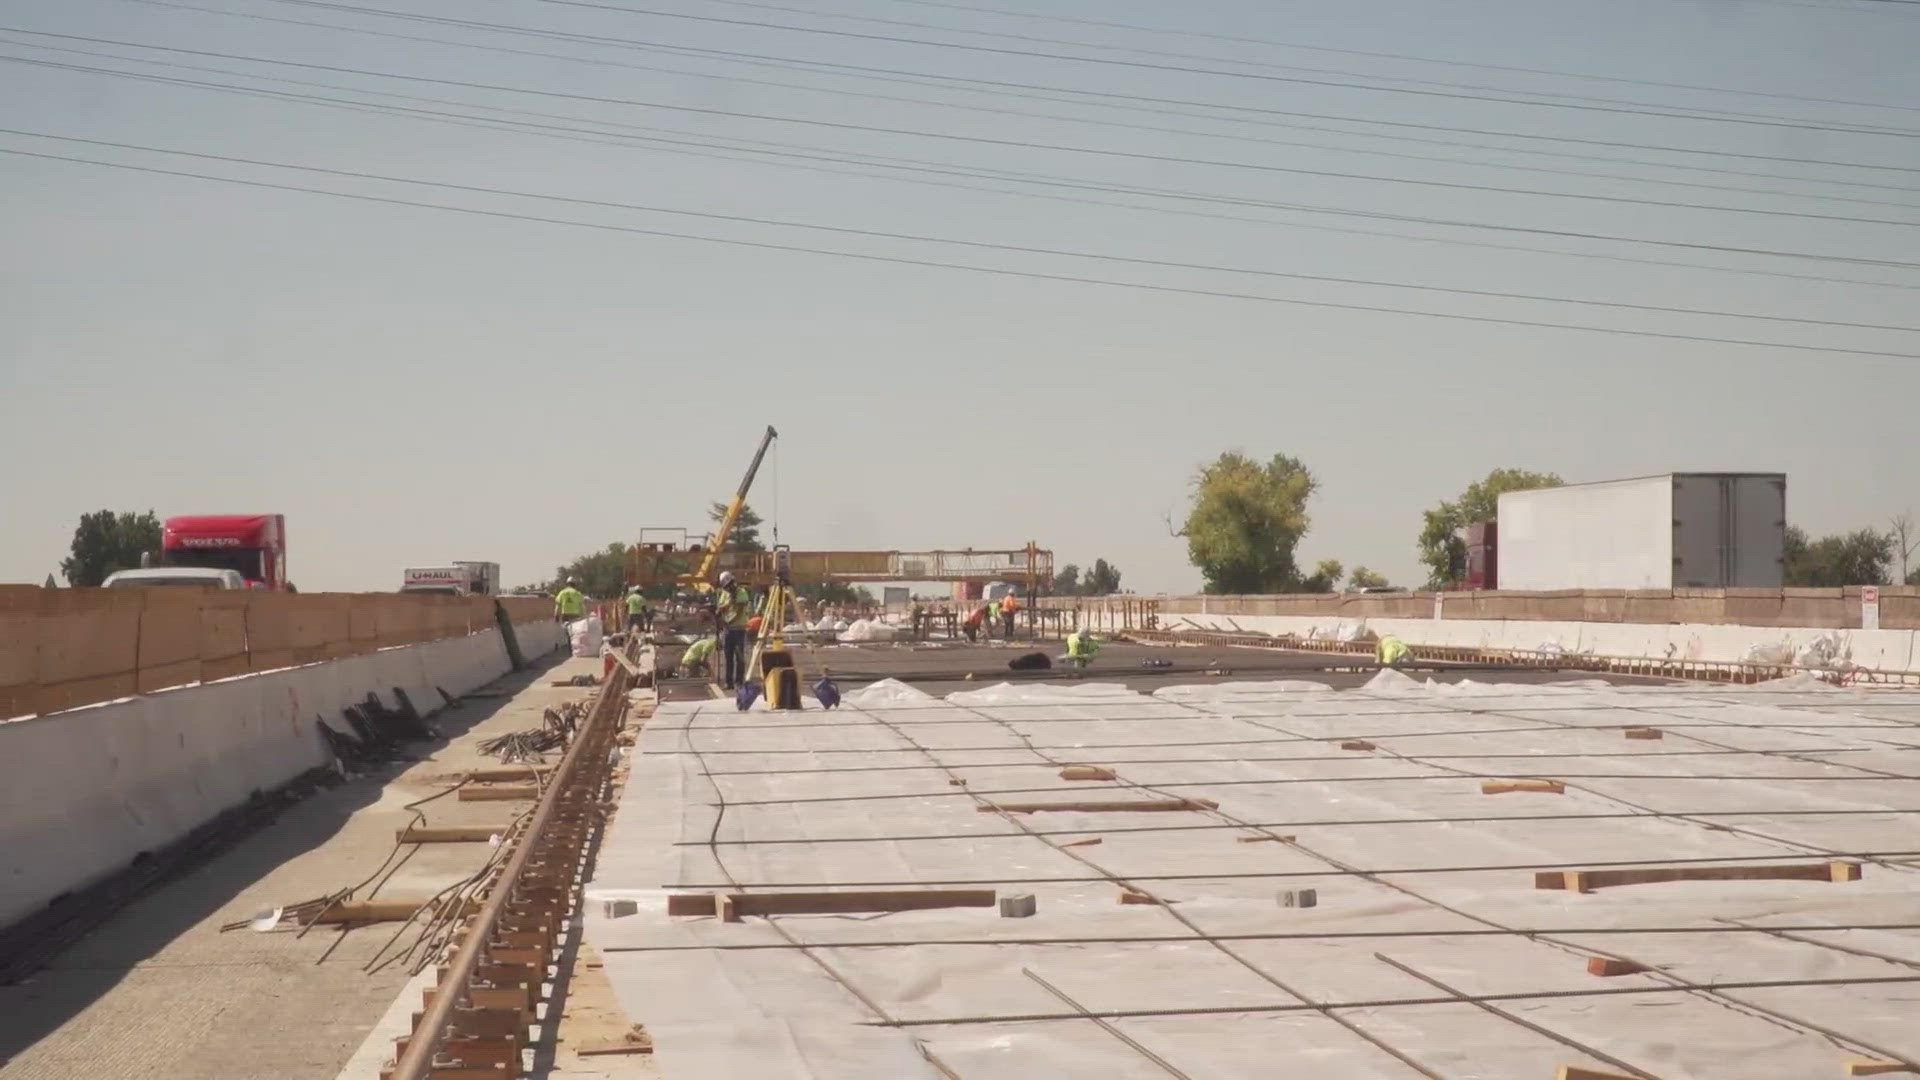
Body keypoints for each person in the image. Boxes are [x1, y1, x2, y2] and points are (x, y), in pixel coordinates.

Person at [714, 571, 755, 690]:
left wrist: (730, 621)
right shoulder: (724, 593)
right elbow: (722, 607)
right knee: (728, 657)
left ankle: (739, 681)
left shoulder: (741, 592)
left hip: (738, 629)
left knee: (739, 656)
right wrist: (720, 612)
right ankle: (729, 682)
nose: (728, 588)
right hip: (728, 630)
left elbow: (740, 610)